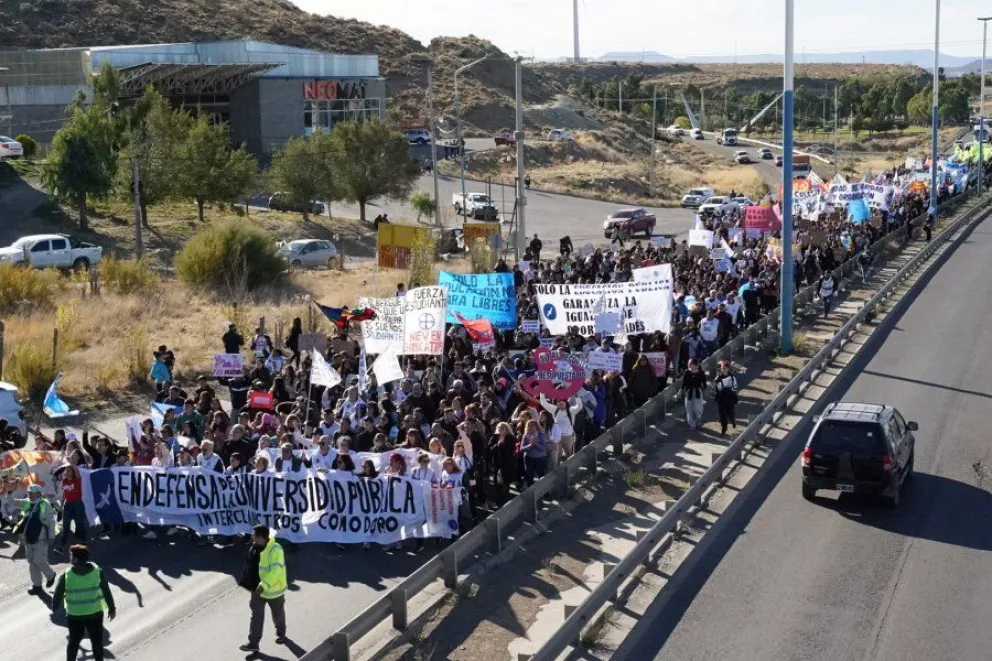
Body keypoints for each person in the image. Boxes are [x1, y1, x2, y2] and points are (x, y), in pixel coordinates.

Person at [52, 543, 116, 661]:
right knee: (96, 641)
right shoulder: (97, 571)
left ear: (76, 558)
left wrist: (54, 607)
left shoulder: (67, 575)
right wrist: (112, 608)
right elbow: (106, 590)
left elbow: (58, 594)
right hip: (95, 613)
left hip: (75, 615)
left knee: (74, 642)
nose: (70, 558)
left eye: (71, 556)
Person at [239, 524, 288, 653]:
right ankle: (253, 642)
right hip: (257, 590)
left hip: (273, 591)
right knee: (256, 616)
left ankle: (281, 633)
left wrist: (264, 584)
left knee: (277, 614)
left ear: (262, 538)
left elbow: (276, 571)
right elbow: (250, 566)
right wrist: (249, 584)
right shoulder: (254, 547)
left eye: (254, 536)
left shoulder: (275, 549)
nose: (252, 538)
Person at [15, 483, 57, 593]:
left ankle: (51, 575)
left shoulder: (44, 504)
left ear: (39, 493)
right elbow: (12, 502)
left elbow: (51, 522)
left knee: (39, 560)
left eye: (32, 493)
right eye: (29, 492)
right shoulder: (26, 502)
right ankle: (37, 586)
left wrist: (51, 537)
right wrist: (9, 492)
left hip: (41, 539)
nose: (30, 494)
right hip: (28, 539)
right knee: (32, 563)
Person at [713, 361, 739, 436]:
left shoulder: (732, 378)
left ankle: (733, 420)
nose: (723, 370)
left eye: (725, 368)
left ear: (728, 369)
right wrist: (718, 386)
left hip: (730, 397)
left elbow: (735, 387)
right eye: (722, 368)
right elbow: (715, 389)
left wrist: (731, 392)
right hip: (721, 398)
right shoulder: (718, 378)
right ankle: (724, 428)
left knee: (730, 412)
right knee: (722, 414)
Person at [680, 358, 707, 431]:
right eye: (688, 363)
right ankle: (692, 425)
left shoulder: (701, 372)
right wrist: (681, 391)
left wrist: (703, 387)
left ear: (695, 365)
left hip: (698, 391)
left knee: (698, 408)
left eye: (690, 363)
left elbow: (704, 383)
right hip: (689, 392)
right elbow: (683, 383)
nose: (688, 364)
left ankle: (698, 418)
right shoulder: (686, 372)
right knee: (689, 410)